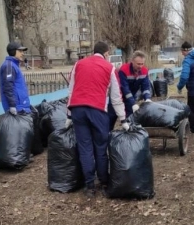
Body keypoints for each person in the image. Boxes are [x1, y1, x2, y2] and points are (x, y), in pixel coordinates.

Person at [64, 41, 129, 198]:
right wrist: (123, 119)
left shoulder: (78, 64)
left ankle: (89, 186)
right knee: (100, 147)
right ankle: (104, 182)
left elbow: (71, 91)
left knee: (85, 148)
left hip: (78, 110)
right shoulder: (109, 68)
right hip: (97, 110)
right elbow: (116, 97)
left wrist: (68, 115)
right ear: (106, 54)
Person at [107, 50, 152, 131]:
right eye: (138, 64)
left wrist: (147, 98)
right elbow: (125, 89)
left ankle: (129, 138)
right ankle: (107, 137)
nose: (140, 66)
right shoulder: (124, 70)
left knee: (130, 120)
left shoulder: (144, 71)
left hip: (130, 98)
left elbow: (146, 87)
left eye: (142, 64)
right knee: (110, 119)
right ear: (132, 61)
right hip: (117, 97)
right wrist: (133, 103)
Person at [0, 42, 31, 115]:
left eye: (23, 51)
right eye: (20, 51)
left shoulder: (14, 65)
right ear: (13, 51)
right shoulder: (9, 66)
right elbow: (8, 86)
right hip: (17, 108)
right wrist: (12, 105)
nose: (22, 53)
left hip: (21, 107)